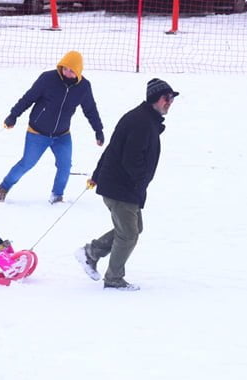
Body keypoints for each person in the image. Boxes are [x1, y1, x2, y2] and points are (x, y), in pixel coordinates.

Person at [74, 78, 179, 291]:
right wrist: (138, 184)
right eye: (166, 98)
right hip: (121, 188)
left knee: (132, 229)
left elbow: (113, 148)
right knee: (129, 234)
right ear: (155, 99)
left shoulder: (144, 119)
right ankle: (113, 279)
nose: (169, 102)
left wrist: (98, 174)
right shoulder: (141, 122)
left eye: (171, 99)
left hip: (122, 185)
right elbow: (131, 160)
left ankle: (91, 252)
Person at [0, 50, 105, 204]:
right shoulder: (48, 79)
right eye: (65, 68)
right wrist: (13, 115)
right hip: (37, 132)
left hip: (62, 134)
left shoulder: (84, 87)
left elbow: (90, 109)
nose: (67, 73)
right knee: (27, 163)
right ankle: (3, 188)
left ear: (78, 71)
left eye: (72, 71)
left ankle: (57, 195)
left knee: (65, 165)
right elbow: (29, 98)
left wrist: (98, 130)